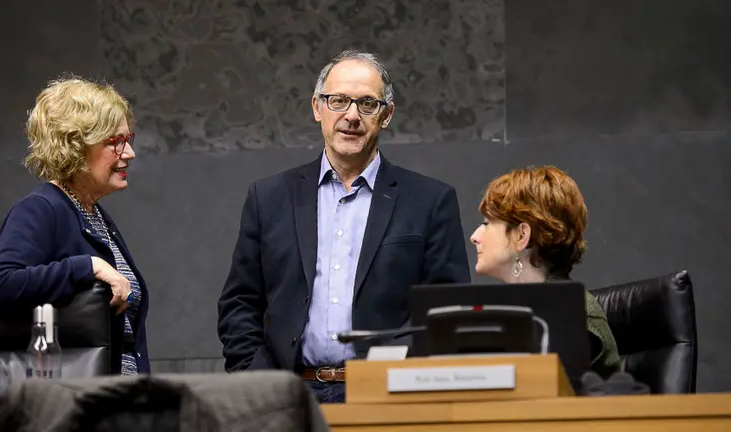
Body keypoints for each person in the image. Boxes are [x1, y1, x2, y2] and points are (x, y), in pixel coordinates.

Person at [217, 49, 471, 403]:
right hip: (289, 396)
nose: (351, 116)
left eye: (367, 104)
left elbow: (447, 311)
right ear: (317, 107)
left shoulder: (430, 200)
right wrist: (258, 381)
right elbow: (240, 303)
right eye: (338, 101)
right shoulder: (269, 197)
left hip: (389, 397)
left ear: (387, 115)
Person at [0, 76, 150, 375]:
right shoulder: (41, 209)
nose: (130, 153)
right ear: (75, 146)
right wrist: (88, 267)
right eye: (115, 142)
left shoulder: (93, 213)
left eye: (128, 139)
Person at [470, 165, 620, 377]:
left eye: (487, 224)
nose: (475, 236)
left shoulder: (572, 314)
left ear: (521, 235)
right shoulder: (525, 313)